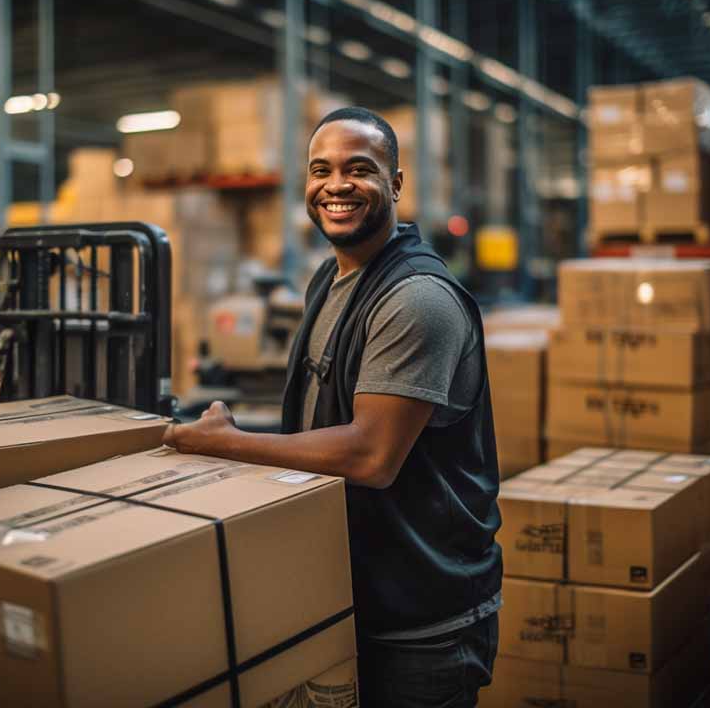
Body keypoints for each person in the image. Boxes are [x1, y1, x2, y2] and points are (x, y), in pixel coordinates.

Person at [164, 106, 502, 706]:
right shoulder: (331, 279)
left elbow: (372, 455)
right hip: (350, 596)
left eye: (360, 169)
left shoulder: (416, 299)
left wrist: (226, 443)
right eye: (321, 170)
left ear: (396, 184)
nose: (336, 185)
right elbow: (323, 423)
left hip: (422, 623)